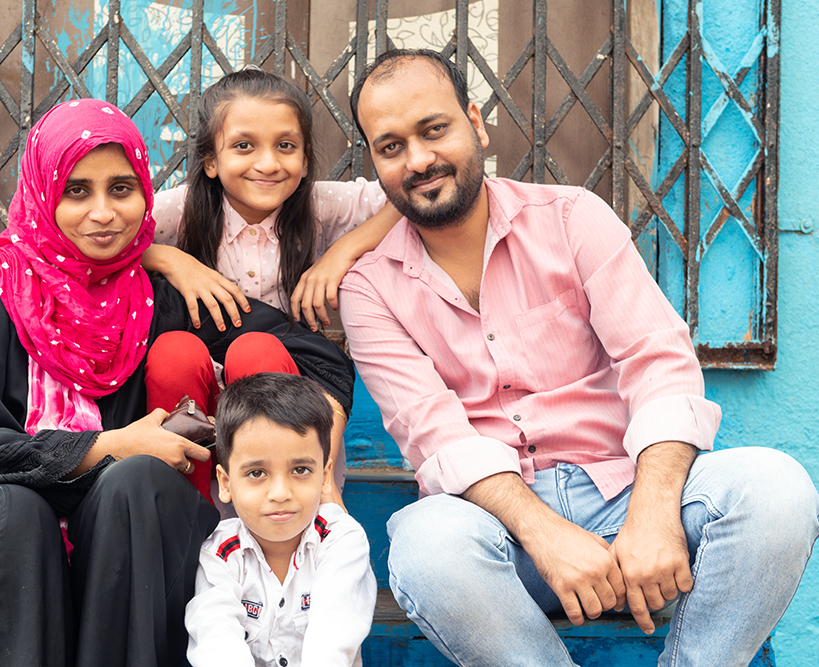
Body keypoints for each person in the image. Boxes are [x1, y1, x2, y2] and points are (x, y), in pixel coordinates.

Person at [338, 48, 819, 666]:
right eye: (391, 146)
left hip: (629, 493)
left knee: (775, 488)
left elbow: (659, 363)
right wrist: (546, 535)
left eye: (435, 130)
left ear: (476, 123)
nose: (419, 160)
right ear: (375, 162)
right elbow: (434, 436)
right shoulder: (371, 287)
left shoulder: (570, 218)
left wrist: (651, 515)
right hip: (504, 532)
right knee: (425, 544)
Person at [0, 99, 218, 667]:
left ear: (146, 195)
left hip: (113, 539)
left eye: (121, 189)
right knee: (13, 513)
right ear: (44, 194)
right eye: (76, 191)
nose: (103, 213)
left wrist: (176, 261)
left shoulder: (156, 297)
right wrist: (109, 445)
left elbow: (305, 347)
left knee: (138, 483)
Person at [140, 67, 401, 507]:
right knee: (172, 351)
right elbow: (97, 238)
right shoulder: (178, 211)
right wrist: (171, 259)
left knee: (254, 349)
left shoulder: (318, 206)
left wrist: (342, 252)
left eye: (286, 146)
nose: (268, 163)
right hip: (194, 394)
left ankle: (279, 524)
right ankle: (180, 512)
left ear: (304, 160)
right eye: (244, 146)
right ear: (210, 160)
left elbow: (406, 194)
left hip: (282, 390)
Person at [184, 373, 377, 667]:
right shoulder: (220, 555)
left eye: (300, 470)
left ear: (325, 477)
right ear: (225, 483)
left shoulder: (341, 539)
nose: (280, 493)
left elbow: (333, 636)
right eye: (256, 473)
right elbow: (216, 640)